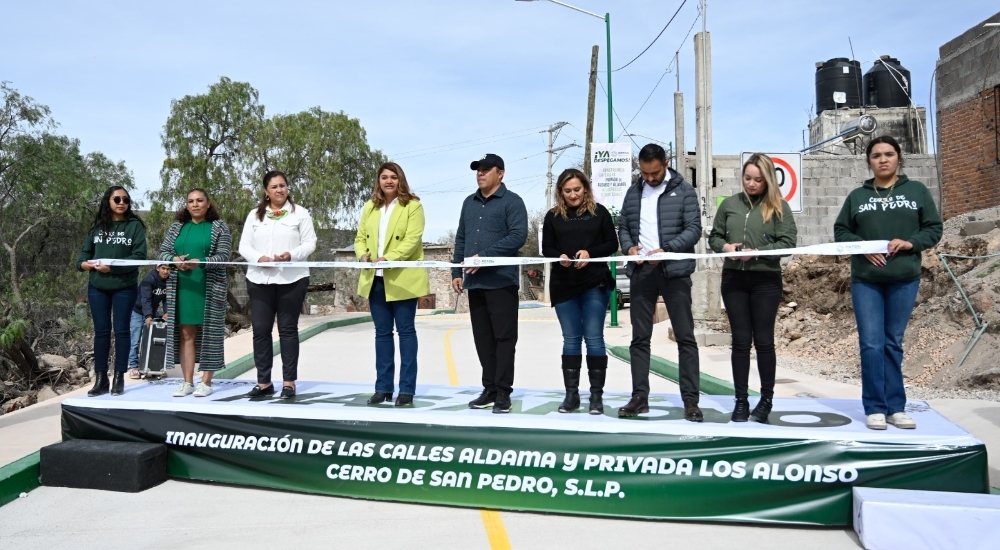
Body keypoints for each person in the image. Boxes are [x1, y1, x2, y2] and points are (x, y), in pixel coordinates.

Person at [834, 136, 942, 430]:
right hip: (866, 281)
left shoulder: (916, 191)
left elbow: (934, 229)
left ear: (898, 158)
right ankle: (875, 407)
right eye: (876, 155)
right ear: (869, 161)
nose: (883, 159)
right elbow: (841, 232)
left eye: (889, 154)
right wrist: (862, 246)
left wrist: (910, 243)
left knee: (893, 343)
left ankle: (896, 407)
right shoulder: (857, 196)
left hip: (903, 279)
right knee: (871, 343)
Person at [709, 153, 798, 423]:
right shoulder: (730, 205)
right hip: (734, 279)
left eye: (758, 180)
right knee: (739, 342)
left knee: (763, 341)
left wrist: (758, 252)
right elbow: (714, 236)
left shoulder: (779, 207)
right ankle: (740, 401)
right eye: (747, 178)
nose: (751, 184)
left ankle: (766, 400)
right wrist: (725, 247)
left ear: (768, 180)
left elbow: (788, 243)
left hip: (765, 281)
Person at [616, 143, 702, 420]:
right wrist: (629, 248)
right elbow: (624, 226)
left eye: (654, 173)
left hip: (674, 272)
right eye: (644, 173)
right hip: (642, 273)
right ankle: (639, 397)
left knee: (685, 337)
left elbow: (693, 229)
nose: (650, 178)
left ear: (665, 163)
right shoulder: (633, 192)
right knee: (639, 339)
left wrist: (667, 249)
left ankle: (690, 400)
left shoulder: (685, 191)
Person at [452, 154, 527, 414]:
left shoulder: (512, 202)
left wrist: (485, 257)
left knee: (504, 339)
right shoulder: (468, 203)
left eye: (486, 169)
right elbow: (461, 237)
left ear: (501, 173)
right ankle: (490, 388)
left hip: (501, 282)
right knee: (483, 339)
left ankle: (504, 392)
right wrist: (456, 271)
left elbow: (518, 236)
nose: (480, 173)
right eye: (478, 170)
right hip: (476, 283)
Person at [541, 168, 618, 414]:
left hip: (595, 282)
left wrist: (590, 252)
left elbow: (611, 244)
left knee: (594, 337)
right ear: (560, 193)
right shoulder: (552, 216)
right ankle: (571, 396)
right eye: (567, 191)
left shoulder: (600, 212)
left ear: (585, 188)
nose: (573, 195)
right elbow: (547, 248)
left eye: (577, 189)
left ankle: (596, 397)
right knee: (571, 339)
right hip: (564, 284)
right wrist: (559, 256)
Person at [354, 162, 429, 407]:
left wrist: (389, 258)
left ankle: (406, 389)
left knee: (406, 332)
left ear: (401, 180)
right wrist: (363, 255)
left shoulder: (413, 207)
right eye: (384, 177)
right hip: (375, 279)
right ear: (378, 181)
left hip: (402, 277)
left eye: (393, 177)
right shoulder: (369, 207)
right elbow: (360, 238)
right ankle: (383, 388)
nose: (388, 181)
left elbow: (412, 239)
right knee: (382, 334)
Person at [239, 170, 317, 400]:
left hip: (292, 279)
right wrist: (258, 258)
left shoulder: (300, 214)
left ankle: (289, 383)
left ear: (287, 188)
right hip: (259, 280)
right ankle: (264, 383)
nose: (279, 190)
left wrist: (291, 255)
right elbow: (244, 245)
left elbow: (310, 243)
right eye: (274, 187)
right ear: (266, 191)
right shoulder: (254, 215)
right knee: (261, 331)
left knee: (288, 330)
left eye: (282, 185)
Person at [158, 188, 232, 398]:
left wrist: (200, 262)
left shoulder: (219, 227)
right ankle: (187, 381)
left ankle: (206, 382)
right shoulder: (177, 227)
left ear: (208, 204)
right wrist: (175, 261)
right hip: (182, 286)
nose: (195, 204)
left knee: (211, 334)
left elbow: (224, 256)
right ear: (187, 205)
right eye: (191, 201)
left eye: (200, 200)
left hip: (209, 287)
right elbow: (163, 252)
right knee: (186, 334)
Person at [77, 186, 148, 397]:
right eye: (117, 199)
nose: (121, 203)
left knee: (122, 331)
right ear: (108, 201)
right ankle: (100, 379)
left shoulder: (134, 226)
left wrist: (113, 267)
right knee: (101, 332)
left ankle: (119, 378)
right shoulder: (98, 227)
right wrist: (86, 265)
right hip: (97, 287)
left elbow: (139, 257)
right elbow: (82, 257)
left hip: (124, 287)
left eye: (125, 199)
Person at [128, 264, 171, 379]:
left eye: (168, 269)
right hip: (138, 311)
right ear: (158, 268)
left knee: (155, 339)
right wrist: (148, 316)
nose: (165, 271)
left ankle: (155, 365)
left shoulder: (169, 282)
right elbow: (145, 298)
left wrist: (166, 312)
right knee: (136, 340)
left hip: (152, 311)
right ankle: (133, 366)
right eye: (163, 268)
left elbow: (167, 299)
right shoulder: (149, 280)